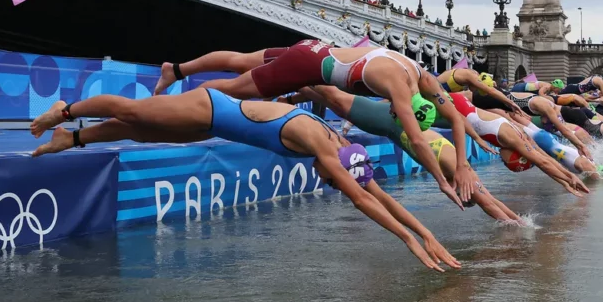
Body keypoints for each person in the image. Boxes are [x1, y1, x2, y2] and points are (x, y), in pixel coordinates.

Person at [30, 92, 460, 272]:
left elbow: (376, 194)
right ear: (337, 168)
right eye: (332, 184)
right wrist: (408, 241)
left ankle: (73, 138)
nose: (327, 184)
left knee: (142, 132)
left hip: (216, 125)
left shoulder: (340, 148)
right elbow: (366, 203)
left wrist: (426, 234)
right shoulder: (325, 146)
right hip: (211, 108)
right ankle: (65, 112)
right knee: (134, 113)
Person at [153, 41, 492, 209]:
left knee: (240, 61)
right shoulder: (398, 90)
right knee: (230, 89)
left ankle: (177, 70)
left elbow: (456, 120)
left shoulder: (422, 78)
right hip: (305, 68)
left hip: (312, 48)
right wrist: (443, 183)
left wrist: (462, 164)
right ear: (400, 107)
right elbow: (418, 141)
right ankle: (188, 103)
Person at [284, 86, 524, 222]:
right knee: (333, 96)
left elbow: (491, 200)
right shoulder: (462, 175)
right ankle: (290, 77)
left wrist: (517, 220)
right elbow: (488, 202)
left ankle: (291, 94)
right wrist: (515, 227)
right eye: (462, 198)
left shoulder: (459, 173)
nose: (458, 197)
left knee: (331, 98)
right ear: (464, 193)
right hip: (387, 122)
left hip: (389, 123)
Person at [439, 92, 591, 194]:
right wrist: (570, 178)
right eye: (506, 163)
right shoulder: (510, 139)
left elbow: (543, 158)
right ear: (515, 155)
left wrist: (564, 180)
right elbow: (542, 162)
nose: (502, 161)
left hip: (463, 104)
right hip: (457, 104)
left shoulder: (520, 136)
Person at [436, 68, 524, 112]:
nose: (474, 91)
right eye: (477, 89)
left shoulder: (471, 75)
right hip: (432, 90)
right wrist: (511, 103)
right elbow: (491, 91)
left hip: (439, 91)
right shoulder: (471, 76)